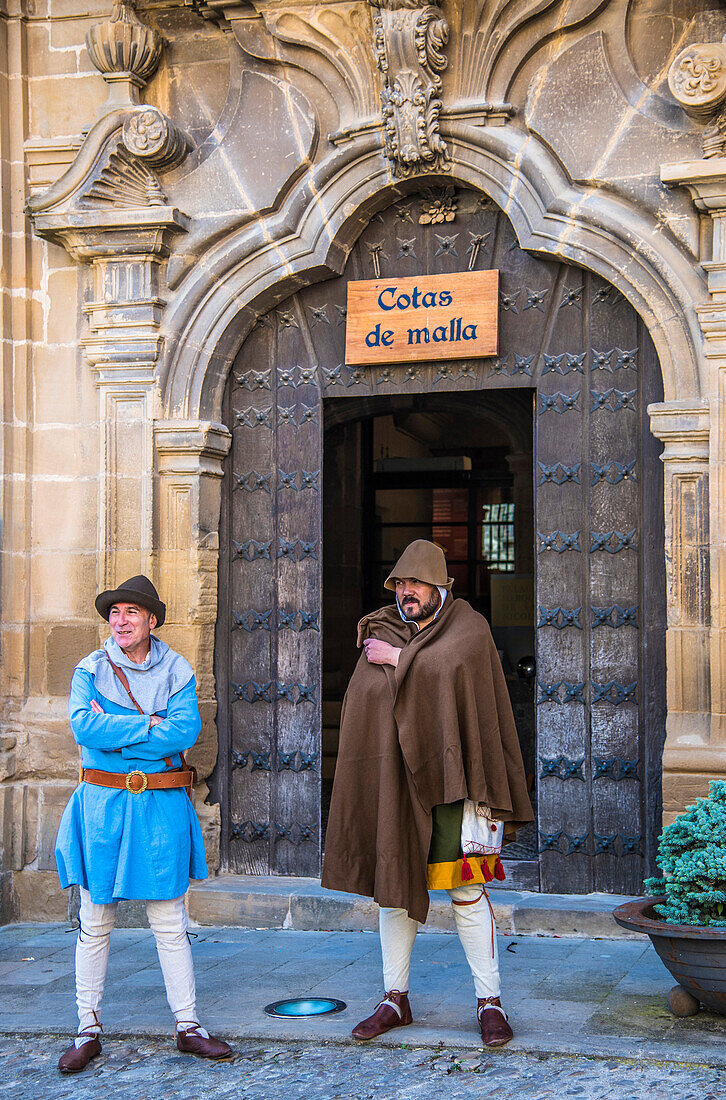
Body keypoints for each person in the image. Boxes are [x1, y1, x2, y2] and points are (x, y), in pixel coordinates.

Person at [321, 540, 534, 1046]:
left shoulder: (468, 629)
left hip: (454, 788)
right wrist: (398, 658)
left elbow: (452, 679)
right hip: (395, 786)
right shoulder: (379, 631)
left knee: (467, 889)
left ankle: (490, 1002)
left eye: (417, 584)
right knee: (394, 892)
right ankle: (395, 999)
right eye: (400, 584)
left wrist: (401, 660)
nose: (407, 593)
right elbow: (367, 704)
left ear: (440, 587)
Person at [54, 575, 232, 1072]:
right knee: (95, 922)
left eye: (131, 612)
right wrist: (149, 724)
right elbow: (83, 727)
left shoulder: (177, 670)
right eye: (114, 613)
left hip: (158, 806)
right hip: (102, 804)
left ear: (151, 619)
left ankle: (188, 1026)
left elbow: (185, 731)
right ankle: (87, 1029)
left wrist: (118, 726)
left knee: (170, 921)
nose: (120, 621)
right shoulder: (89, 668)